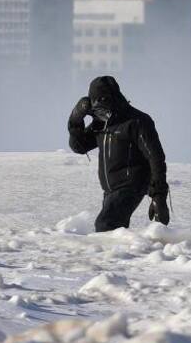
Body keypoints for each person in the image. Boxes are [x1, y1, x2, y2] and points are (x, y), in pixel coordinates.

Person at [68, 75, 169, 232]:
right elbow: (79, 146)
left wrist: (158, 196)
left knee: (105, 224)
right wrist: (76, 118)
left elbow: (156, 158)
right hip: (111, 190)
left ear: (114, 98)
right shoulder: (101, 124)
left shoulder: (136, 121)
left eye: (104, 105)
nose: (102, 112)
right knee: (113, 232)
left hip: (131, 184)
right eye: (97, 109)